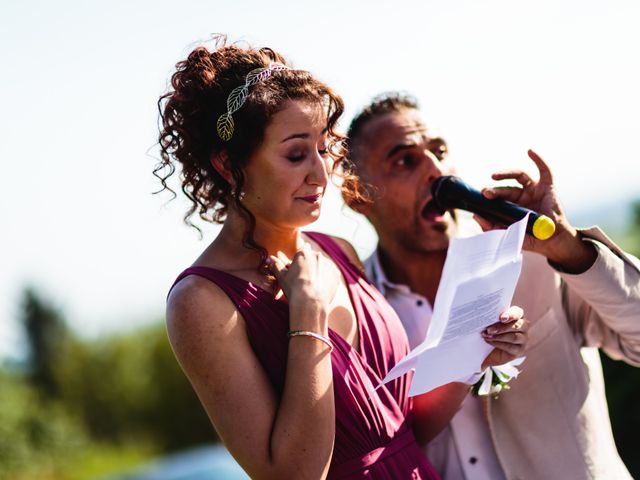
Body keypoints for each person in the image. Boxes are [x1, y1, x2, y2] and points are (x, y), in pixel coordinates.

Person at [154, 40, 529, 479]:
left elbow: (400, 431)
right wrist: (308, 316)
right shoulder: (201, 301)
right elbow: (294, 474)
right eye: (296, 154)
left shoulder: (340, 252)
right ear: (227, 164)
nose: (320, 172)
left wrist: (476, 355)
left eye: (324, 148)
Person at [343, 91, 640, 480]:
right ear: (357, 195)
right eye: (405, 161)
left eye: (439, 150)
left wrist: (571, 249)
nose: (436, 169)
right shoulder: (354, 311)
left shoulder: (536, 260)